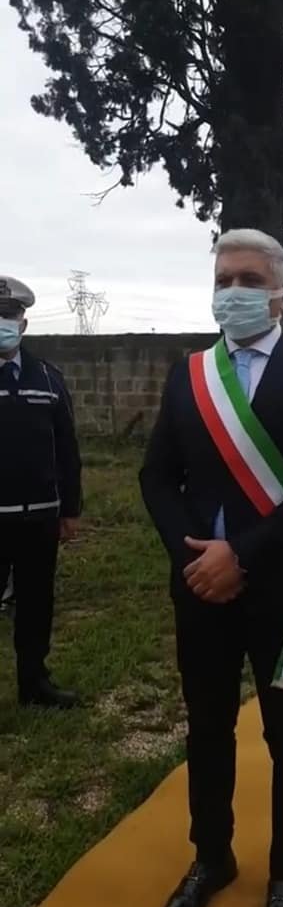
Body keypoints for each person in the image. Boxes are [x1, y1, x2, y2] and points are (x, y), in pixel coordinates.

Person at [140, 229, 283, 907]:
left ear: (281, 294)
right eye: (223, 279)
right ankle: (212, 858)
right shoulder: (189, 375)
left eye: (249, 280)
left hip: (280, 587)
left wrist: (244, 554)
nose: (233, 292)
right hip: (201, 585)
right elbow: (156, 478)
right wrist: (194, 559)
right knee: (207, 728)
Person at [0, 276, 82, 708]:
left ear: (23, 323)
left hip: (40, 517)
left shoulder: (48, 378)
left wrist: (70, 509)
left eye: (8, 315)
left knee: (36, 604)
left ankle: (34, 683)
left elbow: (67, 448)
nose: (3, 322)